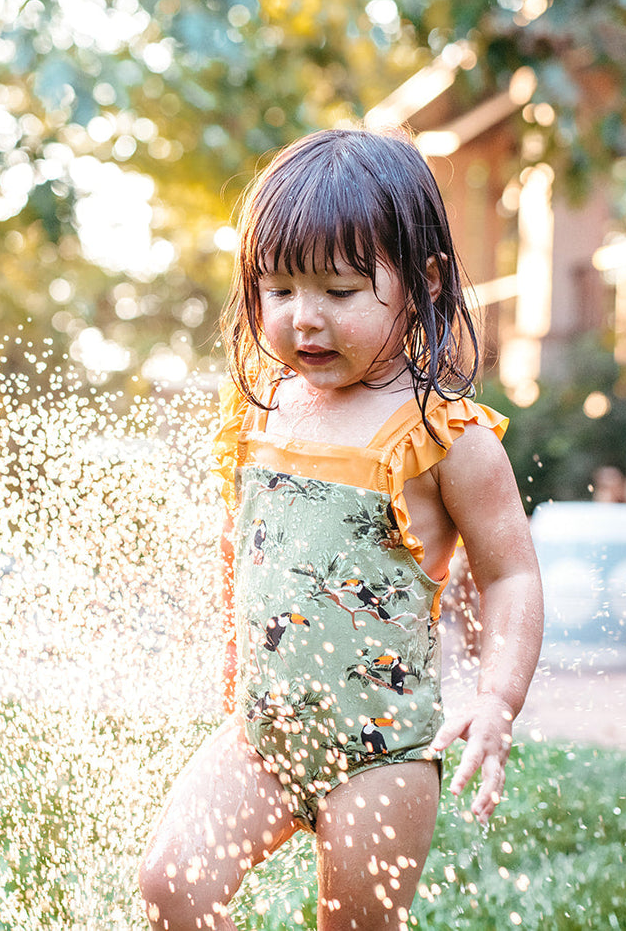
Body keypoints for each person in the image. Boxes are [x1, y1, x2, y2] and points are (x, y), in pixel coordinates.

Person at [139, 127, 544, 931]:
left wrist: (497, 698)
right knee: (170, 885)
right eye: (279, 289)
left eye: (338, 290)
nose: (304, 319)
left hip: (380, 755)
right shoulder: (261, 410)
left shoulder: (443, 435)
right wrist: (233, 658)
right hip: (262, 732)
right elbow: (242, 541)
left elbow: (512, 575)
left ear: (423, 283)